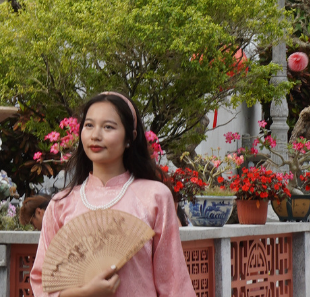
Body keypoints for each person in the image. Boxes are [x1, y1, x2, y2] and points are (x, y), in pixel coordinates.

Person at [28, 92, 193, 297]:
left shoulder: (155, 197)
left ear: (130, 138)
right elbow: (42, 283)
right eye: (89, 125)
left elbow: (173, 283)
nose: (96, 135)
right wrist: (84, 293)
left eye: (108, 127)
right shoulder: (61, 204)